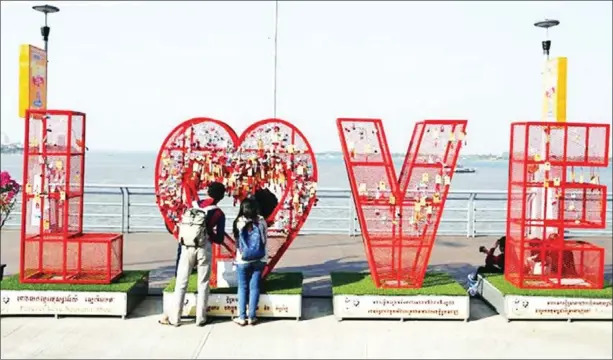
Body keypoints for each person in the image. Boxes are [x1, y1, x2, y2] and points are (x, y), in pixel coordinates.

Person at [159, 181, 226, 327]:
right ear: (221, 197)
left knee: (181, 282)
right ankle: (200, 318)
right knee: (203, 283)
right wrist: (208, 235)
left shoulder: (194, 205)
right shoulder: (219, 214)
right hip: (204, 248)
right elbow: (220, 239)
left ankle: (175, 318)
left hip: (186, 246)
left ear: (207, 192)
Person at [232, 197, 268, 326]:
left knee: (242, 287)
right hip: (259, 259)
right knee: (255, 287)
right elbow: (264, 240)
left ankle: (241, 317)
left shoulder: (238, 222)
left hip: (243, 260)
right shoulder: (262, 222)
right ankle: (252, 317)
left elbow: (237, 241)